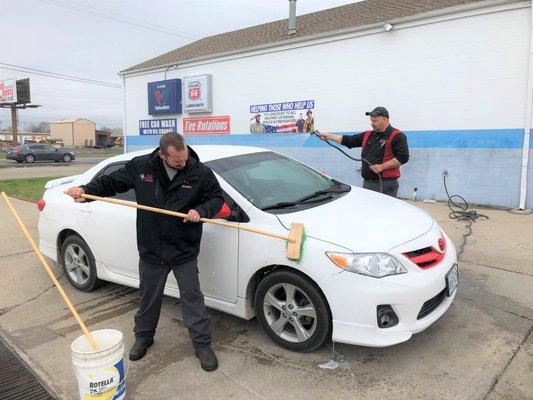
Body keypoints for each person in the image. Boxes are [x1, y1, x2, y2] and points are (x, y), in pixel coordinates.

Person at [65, 132, 224, 372]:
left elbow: (216, 199)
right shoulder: (141, 167)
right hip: (152, 247)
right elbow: (111, 183)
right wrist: (85, 191)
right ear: (162, 155)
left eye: (185, 158)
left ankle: (202, 345)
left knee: (192, 299)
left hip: (184, 248)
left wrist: (201, 210)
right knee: (149, 298)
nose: (183, 163)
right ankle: (144, 337)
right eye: (177, 161)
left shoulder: (199, 172)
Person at [318, 106, 409, 197]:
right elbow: (349, 140)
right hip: (367, 184)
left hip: (385, 184)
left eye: (375, 121)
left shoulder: (397, 136)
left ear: (385, 120)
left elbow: (403, 158)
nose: (372, 124)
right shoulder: (368, 134)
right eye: (371, 121)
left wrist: (382, 167)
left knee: (383, 210)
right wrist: (328, 136)